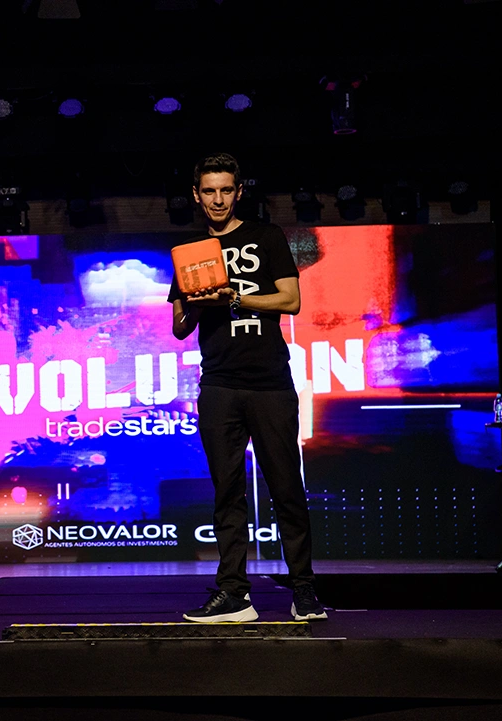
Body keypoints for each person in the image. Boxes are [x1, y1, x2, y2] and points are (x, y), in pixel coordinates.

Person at [168, 153, 326, 623]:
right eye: (209, 191)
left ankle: (304, 591)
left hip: (270, 383)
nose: (217, 199)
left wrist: (235, 297)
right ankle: (234, 594)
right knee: (227, 493)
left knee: (286, 488)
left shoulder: (266, 236)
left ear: (238, 192)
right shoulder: (190, 251)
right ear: (196, 195)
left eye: (225, 190)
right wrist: (200, 302)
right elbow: (179, 327)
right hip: (219, 385)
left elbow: (291, 300)